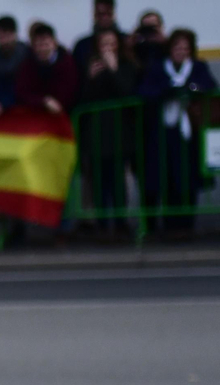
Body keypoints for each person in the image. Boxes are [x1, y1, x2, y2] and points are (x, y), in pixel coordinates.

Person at [138, 28, 218, 236]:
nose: (181, 51)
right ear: (170, 49)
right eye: (177, 47)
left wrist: (194, 90)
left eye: (185, 48)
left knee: (186, 179)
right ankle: (160, 226)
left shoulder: (197, 67)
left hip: (188, 132)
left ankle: (185, 225)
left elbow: (210, 86)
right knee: (162, 177)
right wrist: (167, 90)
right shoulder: (159, 68)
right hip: (163, 133)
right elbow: (145, 91)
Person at [77, 26, 140, 236]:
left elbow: (127, 93)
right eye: (104, 45)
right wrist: (90, 78)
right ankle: (102, 224)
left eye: (112, 44)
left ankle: (121, 222)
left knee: (118, 180)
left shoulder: (127, 66)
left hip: (119, 133)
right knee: (98, 181)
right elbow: (83, 100)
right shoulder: (92, 67)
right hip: (96, 134)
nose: (108, 49)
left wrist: (113, 70)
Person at [16, 22, 80, 116]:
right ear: (33, 46)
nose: (42, 49)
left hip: (63, 115)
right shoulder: (27, 64)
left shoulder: (66, 62)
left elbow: (70, 91)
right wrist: (43, 101)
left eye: (46, 44)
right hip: (36, 116)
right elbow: (22, 92)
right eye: (39, 45)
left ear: (54, 43)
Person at [0, 15, 29, 115]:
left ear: (14, 33)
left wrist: (4, 103)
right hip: (2, 107)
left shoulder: (27, 55)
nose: (2, 40)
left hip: (22, 108)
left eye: (5, 35)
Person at [72, 0, 119, 74]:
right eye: (101, 14)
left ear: (113, 15)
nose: (104, 18)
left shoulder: (125, 42)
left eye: (108, 14)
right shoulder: (82, 45)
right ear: (94, 15)